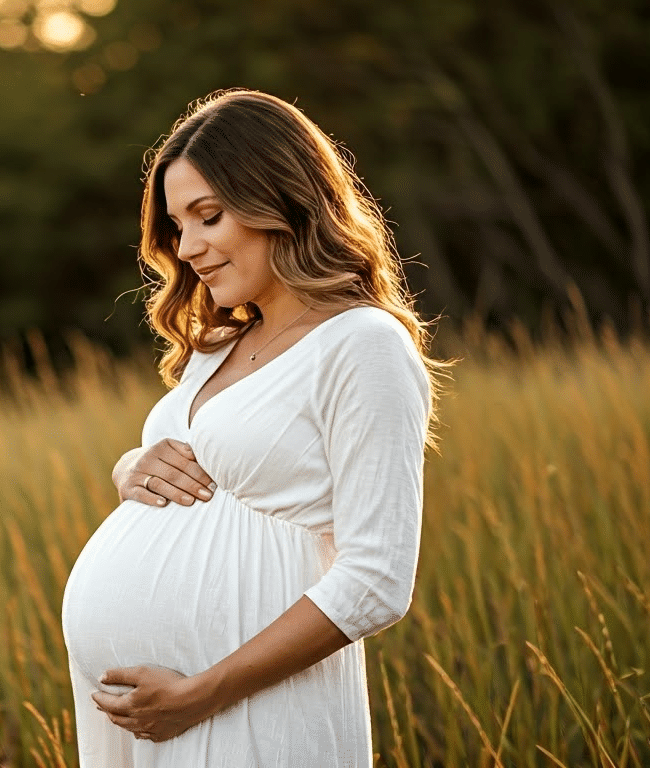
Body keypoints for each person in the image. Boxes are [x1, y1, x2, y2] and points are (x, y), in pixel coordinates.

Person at [60, 89, 439, 766]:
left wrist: (203, 692)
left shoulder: (362, 343)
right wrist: (130, 467)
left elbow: (377, 580)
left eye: (209, 216)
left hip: (250, 713)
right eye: (178, 226)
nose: (191, 247)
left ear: (283, 198)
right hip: (141, 723)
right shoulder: (216, 347)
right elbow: (200, 471)